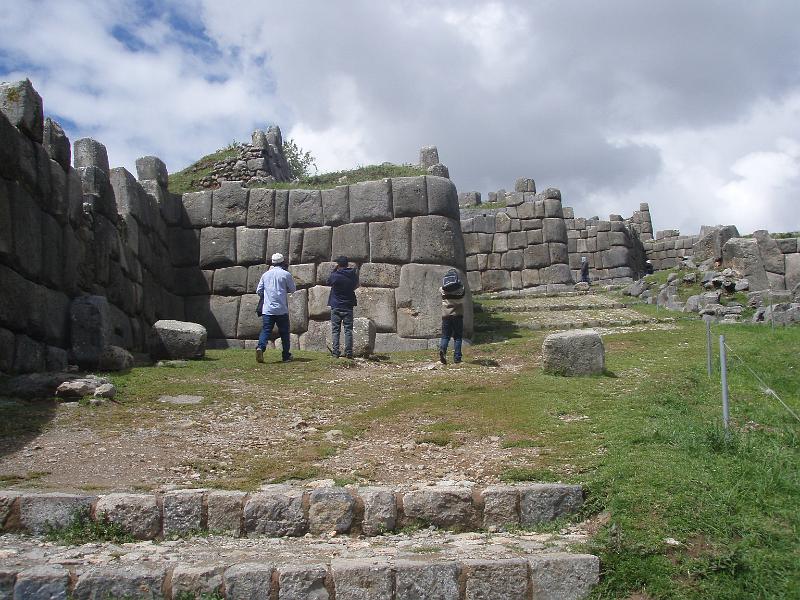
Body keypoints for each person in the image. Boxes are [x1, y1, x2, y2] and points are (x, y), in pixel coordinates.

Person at [255, 252, 296, 363]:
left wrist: (268, 293)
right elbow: (293, 289)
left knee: (266, 330)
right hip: (281, 309)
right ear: (283, 262)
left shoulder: (265, 275)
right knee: (284, 333)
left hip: (268, 309)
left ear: (272, 262)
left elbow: (259, 290)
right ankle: (286, 356)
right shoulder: (285, 274)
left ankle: (260, 348)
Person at [327, 255, 359, 359]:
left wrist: (334, 271)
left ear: (338, 264)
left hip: (336, 305)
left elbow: (328, 282)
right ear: (347, 264)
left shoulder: (335, 275)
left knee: (336, 330)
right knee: (348, 330)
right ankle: (349, 352)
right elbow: (356, 285)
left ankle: (336, 352)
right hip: (348, 305)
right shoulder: (353, 275)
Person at [439, 269, 466, 365]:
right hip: (457, 315)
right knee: (458, 337)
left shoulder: (442, 290)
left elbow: (441, 289)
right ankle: (457, 357)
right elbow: (463, 297)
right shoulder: (460, 290)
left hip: (446, 316)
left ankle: (443, 350)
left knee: (445, 336)